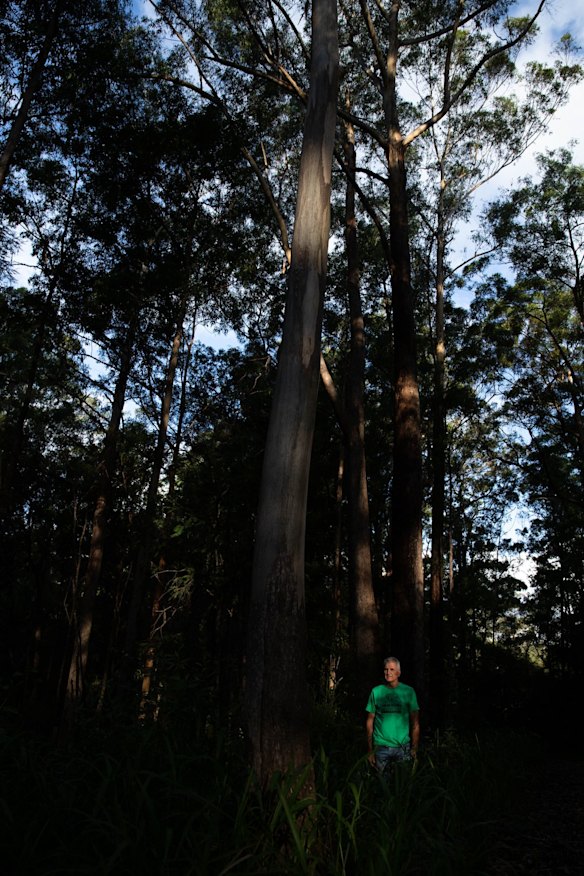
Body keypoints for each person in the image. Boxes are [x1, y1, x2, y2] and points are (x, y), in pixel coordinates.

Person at [366, 657, 420, 773]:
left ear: (398, 672)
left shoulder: (408, 692)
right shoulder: (376, 692)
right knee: (382, 785)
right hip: (380, 747)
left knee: (403, 785)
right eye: (386, 669)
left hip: (402, 747)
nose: (388, 672)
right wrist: (370, 750)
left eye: (392, 669)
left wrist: (414, 748)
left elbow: (415, 723)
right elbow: (370, 721)